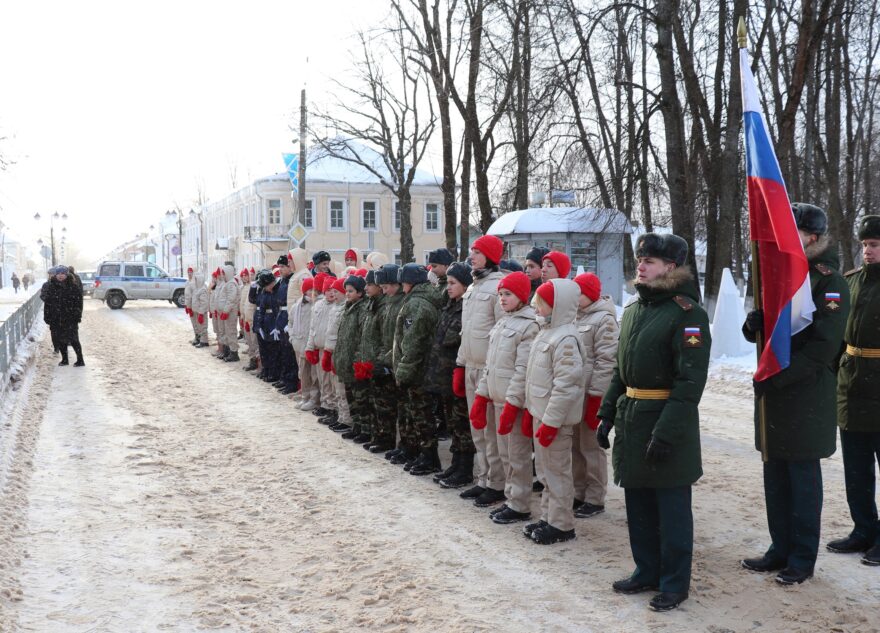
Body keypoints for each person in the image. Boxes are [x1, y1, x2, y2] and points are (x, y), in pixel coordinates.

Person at [596, 233, 710, 612]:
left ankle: (674, 582)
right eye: (640, 259)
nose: (641, 265)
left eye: (651, 261)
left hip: (665, 420)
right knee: (639, 502)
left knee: (672, 508)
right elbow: (621, 371)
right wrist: (606, 413)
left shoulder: (686, 313)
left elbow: (689, 383)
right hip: (633, 419)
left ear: (671, 268)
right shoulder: (633, 310)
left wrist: (666, 432)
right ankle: (647, 570)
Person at [740, 203, 850, 586]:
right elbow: (772, 333)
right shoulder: (777, 273)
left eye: (793, 231)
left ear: (813, 238)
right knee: (776, 477)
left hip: (804, 395)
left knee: (802, 481)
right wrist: (753, 325)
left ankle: (802, 557)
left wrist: (778, 377)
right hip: (776, 393)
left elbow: (823, 347)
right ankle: (779, 547)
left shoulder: (828, 281)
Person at [829, 214, 880, 566]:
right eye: (864, 245)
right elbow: (837, 335)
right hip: (852, 383)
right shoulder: (851, 281)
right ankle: (864, 529)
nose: (868, 251)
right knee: (856, 467)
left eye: (874, 245)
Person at [521, 279, 584, 545]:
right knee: (545, 471)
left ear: (558, 306)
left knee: (557, 473)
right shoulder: (546, 332)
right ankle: (548, 516)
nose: (537, 308)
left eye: (543, 304)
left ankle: (561, 523)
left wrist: (551, 422)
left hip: (553, 420)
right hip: (541, 414)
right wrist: (531, 410)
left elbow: (566, 385)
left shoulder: (566, 338)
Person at [473, 271, 538, 523]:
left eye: (507, 294)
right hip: (497, 399)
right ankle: (511, 497)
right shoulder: (502, 323)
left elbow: (522, 370)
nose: (502, 299)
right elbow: (490, 364)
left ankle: (520, 504)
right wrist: (482, 394)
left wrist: (513, 402)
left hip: (513, 403)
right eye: (500, 294)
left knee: (517, 456)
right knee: (504, 454)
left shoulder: (529, 325)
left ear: (522, 296)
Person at [454, 235, 507, 506]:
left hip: (489, 370)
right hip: (471, 367)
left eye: (478, 252)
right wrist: (461, 365)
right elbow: (467, 332)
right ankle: (484, 478)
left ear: (490, 256)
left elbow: (501, 332)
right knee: (477, 428)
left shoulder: (498, 287)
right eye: (472, 250)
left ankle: (497, 483)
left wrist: (492, 368)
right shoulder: (474, 287)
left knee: (490, 430)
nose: (472, 255)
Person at [425, 262, 476, 486]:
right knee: (453, 422)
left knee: (462, 424)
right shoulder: (450, 306)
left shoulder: (467, 309)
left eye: (453, 283)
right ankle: (456, 464)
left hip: (458, 374)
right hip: (444, 375)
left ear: (465, 285)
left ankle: (465, 469)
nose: (449, 287)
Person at [572, 273, 619, 519]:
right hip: (573, 393)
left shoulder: (604, 319)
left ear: (589, 294)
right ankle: (578, 491)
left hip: (591, 394)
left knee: (591, 447)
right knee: (574, 446)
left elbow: (606, 361)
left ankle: (595, 497)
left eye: (578, 292)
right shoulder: (575, 316)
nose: (574, 297)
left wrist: (597, 397)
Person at [393, 263, 441, 475]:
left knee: (421, 415)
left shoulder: (417, 304)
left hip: (418, 370)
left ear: (409, 282)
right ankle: (420, 453)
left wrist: (403, 370)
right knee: (417, 413)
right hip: (419, 367)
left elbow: (413, 341)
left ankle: (429, 457)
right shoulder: (416, 300)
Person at [375, 265, 408, 461]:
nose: (384, 291)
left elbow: (400, 339)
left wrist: (387, 358)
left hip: (397, 360)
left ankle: (404, 444)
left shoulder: (401, 304)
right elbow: (382, 335)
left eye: (386, 286)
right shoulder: (388, 304)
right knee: (389, 405)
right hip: (387, 358)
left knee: (402, 408)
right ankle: (393, 441)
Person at [335, 275, 371, 442]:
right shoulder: (347, 308)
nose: (347, 294)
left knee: (361, 398)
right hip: (346, 359)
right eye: (346, 291)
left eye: (351, 291)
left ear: (360, 293)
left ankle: (366, 429)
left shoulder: (363, 309)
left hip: (356, 360)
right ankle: (356, 425)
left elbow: (363, 336)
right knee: (351, 397)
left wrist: (358, 358)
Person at [353, 270, 386, 449]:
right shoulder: (371, 305)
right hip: (367, 360)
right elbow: (363, 335)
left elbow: (384, 338)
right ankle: (375, 434)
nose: (366, 288)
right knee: (371, 402)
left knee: (381, 404)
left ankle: (383, 437)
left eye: (369, 284)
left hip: (377, 362)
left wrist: (378, 361)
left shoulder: (382, 307)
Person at [42, 265, 85, 366]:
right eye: (58, 274)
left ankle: (80, 359)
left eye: (63, 273)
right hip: (56, 318)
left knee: (74, 339)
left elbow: (79, 303)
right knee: (60, 339)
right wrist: (47, 316)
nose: (60, 276)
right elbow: (47, 304)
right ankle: (64, 359)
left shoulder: (73, 287)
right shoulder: (51, 286)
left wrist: (77, 315)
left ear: (67, 275)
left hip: (70, 318)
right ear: (56, 275)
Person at [322, 278, 350, 433]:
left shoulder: (345, 309)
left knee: (341, 388)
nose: (333, 294)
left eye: (337, 291)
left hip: (338, 351)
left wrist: (331, 350)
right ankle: (341, 416)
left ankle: (346, 419)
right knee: (335, 387)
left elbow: (338, 334)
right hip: (331, 350)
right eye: (332, 291)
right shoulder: (335, 308)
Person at [290, 276, 317, 407]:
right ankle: (305, 396)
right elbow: (291, 323)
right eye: (309, 289)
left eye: (314, 289)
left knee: (313, 374)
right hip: (299, 343)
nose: (312, 292)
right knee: (303, 372)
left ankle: (313, 398)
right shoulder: (297, 307)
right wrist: (292, 336)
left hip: (311, 344)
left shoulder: (316, 305)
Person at [253, 268, 284, 383]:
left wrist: (277, 325)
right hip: (266, 322)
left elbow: (277, 309)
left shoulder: (277, 291)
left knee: (274, 351)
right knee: (265, 349)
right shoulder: (265, 292)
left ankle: (274, 373)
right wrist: (259, 324)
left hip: (274, 322)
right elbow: (261, 307)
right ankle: (267, 370)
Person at [217, 265, 241, 362]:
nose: (223, 275)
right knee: (227, 332)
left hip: (230, 312)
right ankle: (227, 351)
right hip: (226, 312)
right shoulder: (227, 283)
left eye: (224, 273)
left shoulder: (231, 284)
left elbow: (231, 299)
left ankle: (234, 353)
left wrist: (226, 311)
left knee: (231, 332)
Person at [239, 269, 260, 371]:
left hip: (252, 319)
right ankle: (252, 360)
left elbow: (253, 306)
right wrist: (243, 317)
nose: (245, 277)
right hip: (246, 318)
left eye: (247, 275)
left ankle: (257, 363)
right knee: (249, 342)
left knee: (254, 342)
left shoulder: (254, 287)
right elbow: (244, 304)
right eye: (242, 276)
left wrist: (250, 319)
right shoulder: (245, 287)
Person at [191, 272, 209, 347]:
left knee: (203, 326)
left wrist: (201, 313)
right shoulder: (197, 289)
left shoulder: (203, 290)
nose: (195, 281)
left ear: (200, 280)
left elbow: (204, 303)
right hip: (197, 311)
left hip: (201, 312)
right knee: (199, 326)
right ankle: (201, 339)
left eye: (196, 279)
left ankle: (204, 341)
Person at [183, 267, 199, 344]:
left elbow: (194, 296)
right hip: (189, 305)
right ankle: (196, 336)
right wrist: (187, 306)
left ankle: (199, 337)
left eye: (191, 272)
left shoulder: (195, 283)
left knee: (197, 322)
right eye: (188, 272)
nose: (189, 274)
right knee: (193, 322)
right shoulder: (187, 282)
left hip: (194, 306)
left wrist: (192, 306)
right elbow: (187, 295)